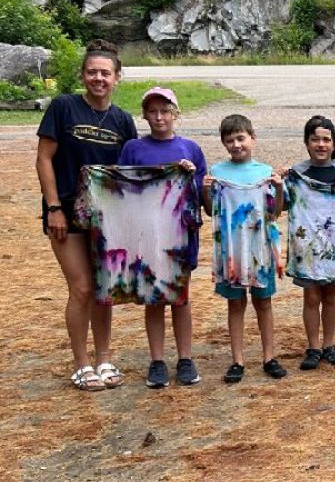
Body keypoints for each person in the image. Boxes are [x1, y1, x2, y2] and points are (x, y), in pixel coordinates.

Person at [35, 39, 138, 391]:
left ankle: (104, 358)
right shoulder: (63, 107)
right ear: (83, 75)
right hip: (65, 211)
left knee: (103, 289)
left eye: (105, 73)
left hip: (107, 217)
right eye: (92, 72)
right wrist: (52, 207)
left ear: (117, 77)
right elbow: (44, 158)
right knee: (80, 288)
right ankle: (81, 363)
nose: (99, 78)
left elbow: (130, 172)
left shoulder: (123, 120)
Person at [116, 87, 207, 387]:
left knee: (180, 298)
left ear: (175, 115)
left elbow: (201, 194)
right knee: (153, 299)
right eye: (153, 112)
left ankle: (185, 358)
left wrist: (190, 174)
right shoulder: (133, 148)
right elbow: (122, 188)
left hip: (179, 234)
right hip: (146, 234)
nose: (159, 117)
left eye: (165, 111)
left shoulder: (190, 149)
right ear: (144, 115)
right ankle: (156, 361)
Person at [202, 113, 286, 382]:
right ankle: (237, 360)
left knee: (264, 302)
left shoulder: (264, 172)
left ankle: (269, 356)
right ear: (224, 144)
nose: (237, 145)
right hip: (231, 250)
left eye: (241, 138)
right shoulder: (217, 173)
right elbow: (208, 210)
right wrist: (205, 190)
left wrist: (279, 188)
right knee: (235, 304)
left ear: (253, 138)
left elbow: (276, 211)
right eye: (230, 141)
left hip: (259, 247)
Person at [289, 116, 335, 371]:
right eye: (315, 139)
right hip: (307, 245)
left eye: (326, 139)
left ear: (334, 143)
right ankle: (313, 346)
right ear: (306, 142)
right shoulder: (298, 173)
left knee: (330, 295)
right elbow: (282, 204)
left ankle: (329, 344)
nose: (321, 144)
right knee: (311, 295)